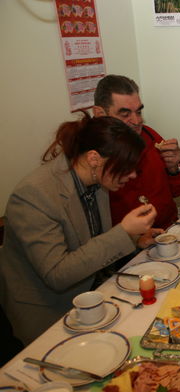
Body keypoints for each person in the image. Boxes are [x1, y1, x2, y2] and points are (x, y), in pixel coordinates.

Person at [0, 114, 159, 345]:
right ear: (94, 158)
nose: (133, 175)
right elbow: (57, 274)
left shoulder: (96, 181)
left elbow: (87, 244)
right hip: (50, 309)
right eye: (127, 167)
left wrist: (133, 239)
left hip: (93, 292)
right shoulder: (34, 195)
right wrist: (123, 233)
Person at [93, 74, 180, 229]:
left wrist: (174, 168)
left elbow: (179, 190)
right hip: (127, 246)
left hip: (168, 229)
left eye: (138, 112)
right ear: (99, 114)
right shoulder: (94, 156)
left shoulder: (150, 136)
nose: (137, 121)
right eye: (125, 114)